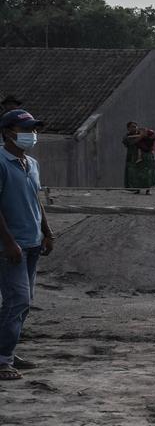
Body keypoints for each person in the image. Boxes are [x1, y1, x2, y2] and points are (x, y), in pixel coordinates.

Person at [0, 109, 55, 382]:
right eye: (26, 130)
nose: (32, 135)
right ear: (8, 132)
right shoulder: (0, 161)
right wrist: (8, 242)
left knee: (25, 301)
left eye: (33, 129)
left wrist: (48, 231)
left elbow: (36, 199)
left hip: (32, 242)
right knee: (17, 299)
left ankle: (7, 349)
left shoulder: (31, 163)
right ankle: (2, 359)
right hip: (11, 246)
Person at [123, 122, 155, 195]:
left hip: (145, 156)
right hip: (133, 157)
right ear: (128, 128)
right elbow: (129, 142)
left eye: (135, 126)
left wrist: (148, 136)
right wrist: (140, 137)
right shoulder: (127, 136)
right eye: (132, 127)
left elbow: (152, 138)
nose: (134, 128)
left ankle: (148, 190)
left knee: (147, 173)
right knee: (135, 174)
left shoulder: (143, 133)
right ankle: (137, 189)